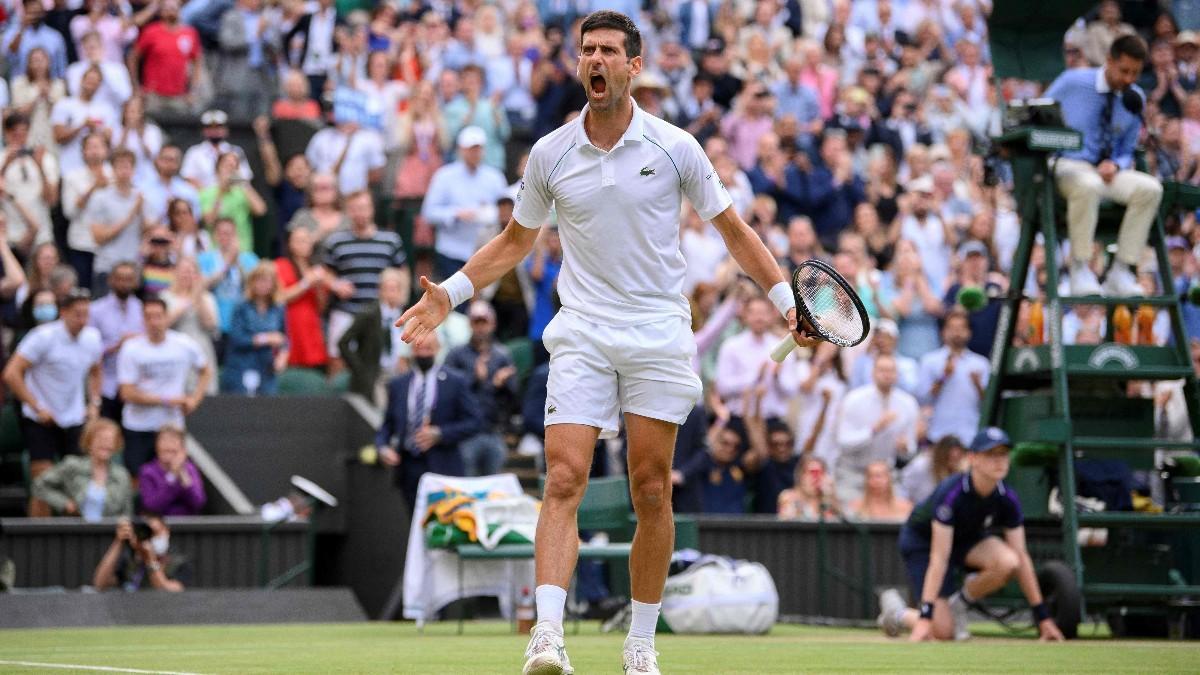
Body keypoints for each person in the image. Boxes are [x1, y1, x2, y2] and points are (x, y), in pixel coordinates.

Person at [396, 12, 817, 674]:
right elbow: (514, 241)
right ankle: (549, 635)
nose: (595, 59)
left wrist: (786, 301)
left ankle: (641, 642)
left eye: (608, 51)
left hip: (657, 330)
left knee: (651, 489)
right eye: (586, 49)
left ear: (633, 67)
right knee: (564, 475)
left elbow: (734, 231)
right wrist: (449, 292)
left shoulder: (677, 147)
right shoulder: (549, 153)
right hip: (584, 330)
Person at [878, 427, 1066, 642]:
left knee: (1009, 561)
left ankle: (959, 604)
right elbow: (939, 558)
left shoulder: (1008, 497)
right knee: (942, 632)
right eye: (990, 454)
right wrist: (926, 617)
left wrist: (1043, 618)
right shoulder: (951, 493)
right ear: (973, 459)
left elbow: (1021, 556)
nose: (999, 461)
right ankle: (898, 613)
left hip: (965, 540)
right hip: (924, 543)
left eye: (1003, 454)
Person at [1047, 35, 1162, 297]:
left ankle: (1121, 271)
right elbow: (1035, 114)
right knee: (1088, 185)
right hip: (1068, 164)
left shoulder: (1135, 98)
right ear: (1109, 60)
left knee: (1150, 189)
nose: (1129, 79)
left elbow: (1127, 148)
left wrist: (1117, 164)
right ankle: (1080, 269)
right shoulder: (1072, 82)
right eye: (1124, 71)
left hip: (1107, 173)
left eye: (1135, 72)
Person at [4, 288, 102, 480]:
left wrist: (94, 404)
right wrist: (37, 406)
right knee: (43, 482)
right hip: (40, 418)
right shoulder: (42, 337)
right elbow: (11, 374)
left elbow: (96, 371)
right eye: (77, 315)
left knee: (76, 480)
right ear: (63, 312)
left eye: (86, 315)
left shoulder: (92, 338)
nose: (82, 320)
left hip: (74, 418)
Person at [375, 331, 481, 507]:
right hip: (408, 465)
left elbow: (474, 421)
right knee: (413, 522)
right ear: (411, 351)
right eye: (419, 348)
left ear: (438, 349)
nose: (424, 353)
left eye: (429, 348)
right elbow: (387, 425)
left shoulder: (455, 381)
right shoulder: (398, 384)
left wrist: (440, 433)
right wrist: (382, 447)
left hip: (443, 464)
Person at [117, 297, 213, 476]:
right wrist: (166, 400)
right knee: (136, 476)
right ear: (143, 320)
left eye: (158, 316)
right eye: (149, 317)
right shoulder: (131, 348)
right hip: (138, 425)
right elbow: (126, 392)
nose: (154, 322)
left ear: (166, 317)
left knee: (172, 473)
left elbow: (206, 371)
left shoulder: (184, 344)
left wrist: (194, 399)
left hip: (171, 425)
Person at [322, 191, 407, 372]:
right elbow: (325, 273)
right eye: (353, 209)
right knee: (338, 357)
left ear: (372, 209)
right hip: (347, 310)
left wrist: (400, 300)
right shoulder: (336, 242)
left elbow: (403, 273)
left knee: (393, 361)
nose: (359, 213)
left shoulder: (390, 241)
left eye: (363, 208)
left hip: (382, 312)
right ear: (347, 212)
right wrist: (335, 285)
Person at [421, 126, 510, 282]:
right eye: (471, 149)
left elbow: (506, 211)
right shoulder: (444, 176)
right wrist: (455, 214)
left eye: (478, 149)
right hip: (452, 249)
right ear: (461, 150)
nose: (475, 153)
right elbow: (429, 212)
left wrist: (490, 213)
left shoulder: (495, 177)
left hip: (486, 250)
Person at [444, 300, 518, 476]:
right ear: (469, 323)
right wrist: (474, 379)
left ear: (492, 324)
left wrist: (502, 385)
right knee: (466, 488)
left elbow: (516, 399)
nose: (480, 328)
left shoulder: (502, 355)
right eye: (476, 322)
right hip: (465, 435)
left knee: (493, 490)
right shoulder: (456, 355)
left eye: (484, 322)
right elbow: (447, 393)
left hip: (494, 432)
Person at [835, 354, 921, 505]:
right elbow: (843, 442)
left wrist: (904, 448)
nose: (887, 375)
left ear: (897, 374)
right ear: (873, 373)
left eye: (891, 371)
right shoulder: (854, 399)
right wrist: (873, 430)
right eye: (882, 370)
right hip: (854, 475)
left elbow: (911, 450)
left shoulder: (908, 404)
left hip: (887, 476)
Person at [30, 417, 132, 519]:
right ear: (89, 441)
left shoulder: (122, 475)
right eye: (101, 439)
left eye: (111, 440)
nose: (106, 443)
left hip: (109, 531)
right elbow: (39, 485)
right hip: (76, 530)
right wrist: (64, 503)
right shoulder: (72, 466)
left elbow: (126, 514)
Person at [918, 308, 990, 448]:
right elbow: (923, 399)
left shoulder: (981, 364)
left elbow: (988, 404)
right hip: (939, 434)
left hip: (970, 433)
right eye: (952, 328)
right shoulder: (930, 361)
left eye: (961, 328)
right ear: (943, 332)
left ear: (969, 332)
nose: (957, 333)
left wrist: (978, 385)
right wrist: (944, 377)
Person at [338, 267, 410, 402]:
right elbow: (343, 342)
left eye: (395, 289)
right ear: (380, 290)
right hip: (375, 375)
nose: (392, 294)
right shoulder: (369, 314)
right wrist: (360, 369)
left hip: (397, 374)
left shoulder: (405, 315)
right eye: (388, 289)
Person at [88, 149, 152, 294]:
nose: (125, 171)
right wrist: (130, 216)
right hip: (107, 268)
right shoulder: (100, 198)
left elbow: (146, 233)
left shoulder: (141, 198)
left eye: (128, 166)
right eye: (120, 166)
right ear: (113, 169)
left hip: (134, 268)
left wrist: (140, 212)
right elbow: (98, 237)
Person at [222, 262, 288, 394]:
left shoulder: (278, 308)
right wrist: (265, 339)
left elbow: (284, 338)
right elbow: (237, 339)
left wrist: (283, 355)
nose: (264, 285)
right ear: (252, 282)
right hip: (241, 367)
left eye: (268, 281)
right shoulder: (241, 306)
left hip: (267, 369)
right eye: (260, 280)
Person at [89, 261, 143, 422]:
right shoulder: (95, 310)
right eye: (120, 278)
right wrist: (116, 346)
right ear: (111, 280)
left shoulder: (142, 309)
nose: (124, 283)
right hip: (106, 384)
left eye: (129, 279)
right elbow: (90, 349)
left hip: (135, 386)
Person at [130, 0, 204, 116]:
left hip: (179, 95)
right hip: (154, 95)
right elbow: (133, 57)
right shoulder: (151, 31)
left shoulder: (190, 33)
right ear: (161, 12)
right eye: (168, 8)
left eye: (174, 8)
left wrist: (193, 90)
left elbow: (197, 63)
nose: (172, 11)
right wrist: (136, 86)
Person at [161, 256, 219, 393]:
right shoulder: (165, 297)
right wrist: (189, 301)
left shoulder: (207, 298)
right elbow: (164, 323)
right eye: (184, 271)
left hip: (202, 350)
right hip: (174, 353)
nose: (188, 275)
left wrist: (198, 296)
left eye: (192, 271)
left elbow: (210, 324)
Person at [275, 228, 329, 372]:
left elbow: (322, 307)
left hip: (311, 327)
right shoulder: (281, 265)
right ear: (290, 244)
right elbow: (280, 297)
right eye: (299, 241)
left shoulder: (315, 269)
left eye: (306, 241)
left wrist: (318, 287)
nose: (304, 245)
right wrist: (306, 283)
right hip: (290, 324)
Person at [62, 131, 111, 285]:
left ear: (107, 150)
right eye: (90, 147)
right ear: (83, 152)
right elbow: (69, 212)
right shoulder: (72, 177)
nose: (94, 151)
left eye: (98, 146)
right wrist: (93, 188)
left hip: (109, 245)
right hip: (81, 243)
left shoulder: (115, 175)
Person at [92, 511, 186, 591]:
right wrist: (119, 541)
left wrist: (150, 559)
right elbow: (100, 584)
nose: (151, 538)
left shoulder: (178, 563)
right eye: (147, 534)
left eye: (155, 533)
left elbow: (169, 594)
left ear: (166, 531)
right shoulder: (129, 561)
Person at [198, 217, 260, 337]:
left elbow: (256, 289)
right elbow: (201, 286)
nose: (225, 237)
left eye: (229, 233)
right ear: (215, 236)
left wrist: (238, 263)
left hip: (244, 324)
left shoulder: (249, 259)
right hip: (215, 324)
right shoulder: (204, 259)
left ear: (236, 235)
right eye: (221, 233)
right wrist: (226, 265)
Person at [200, 151, 268, 254]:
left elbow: (261, 210)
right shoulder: (206, 193)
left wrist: (244, 184)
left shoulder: (243, 192)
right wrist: (221, 192)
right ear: (217, 170)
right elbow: (208, 221)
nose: (230, 170)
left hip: (243, 251)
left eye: (234, 167)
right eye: (227, 166)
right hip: (216, 253)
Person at [138, 425, 206, 516]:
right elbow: (152, 506)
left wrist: (182, 474)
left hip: (188, 525)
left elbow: (198, 502)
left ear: (182, 447)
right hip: (160, 524)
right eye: (163, 440)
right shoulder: (147, 471)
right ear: (156, 445)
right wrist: (172, 476)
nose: (168, 445)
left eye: (173, 440)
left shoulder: (190, 469)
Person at [10, 48, 67, 153]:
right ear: (29, 64)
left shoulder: (58, 85)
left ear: (49, 62)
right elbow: (19, 114)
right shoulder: (19, 83)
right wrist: (37, 97)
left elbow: (60, 116)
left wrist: (48, 98)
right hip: (28, 136)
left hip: (51, 137)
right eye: (35, 61)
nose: (39, 65)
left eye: (42, 60)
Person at [180, 110, 253, 190]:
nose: (214, 131)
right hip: (202, 198)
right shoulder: (194, 152)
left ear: (226, 129)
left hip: (231, 197)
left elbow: (245, 177)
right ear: (203, 130)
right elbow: (188, 177)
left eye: (218, 127)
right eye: (210, 127)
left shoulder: (236, 151)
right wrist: (210, 195)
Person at [3, 0, 68, 80]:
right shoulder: (12, 33)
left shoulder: (55, 37)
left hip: (50, 87)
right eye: (32, 12)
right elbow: (8, 57)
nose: (35, 16)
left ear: (43, 12)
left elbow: (61, 70)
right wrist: (22, 28)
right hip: (21, 87)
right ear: (25, 10)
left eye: (37, 12)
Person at [900, 435, 966, 504]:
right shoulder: (921, 465)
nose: (953, 463)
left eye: (957, 458)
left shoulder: (960, 470)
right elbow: (903, 490)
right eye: (950, 458)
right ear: (941, 455)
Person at [777, 455, 840, 520]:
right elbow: (787, 520)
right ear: (801, 476)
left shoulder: (826, 498)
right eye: (812, 472)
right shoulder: (789, 496)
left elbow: (841, 520)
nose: (816, 478)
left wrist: (830, 496)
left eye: (820, 473)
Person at [846, 460, 913, 522]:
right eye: (871, 476)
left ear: (889, 479)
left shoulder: (906, 507)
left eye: (879, 476)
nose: (876, 481)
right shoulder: (855, 507)